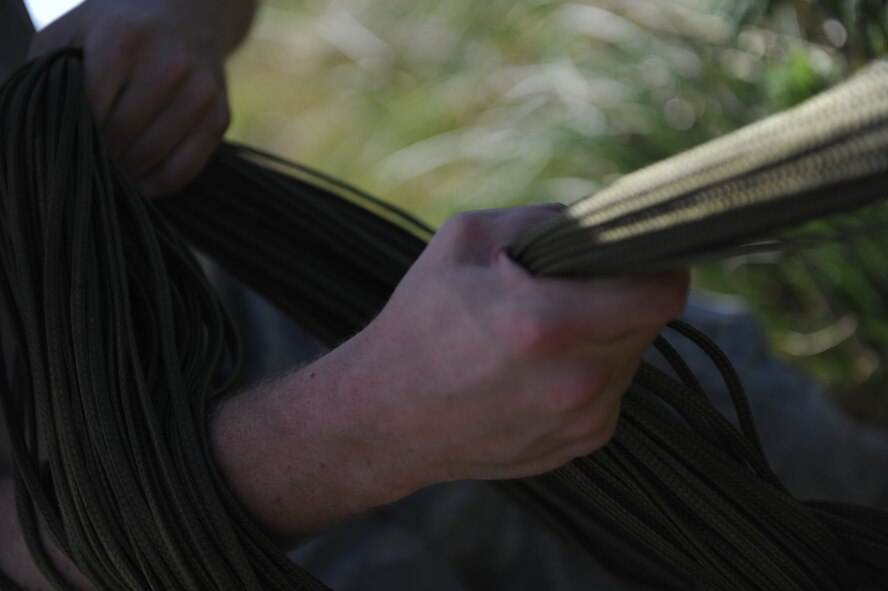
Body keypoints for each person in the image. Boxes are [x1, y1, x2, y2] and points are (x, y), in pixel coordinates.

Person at [0, 0, 690, 588]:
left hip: (317, 300)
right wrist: (371, 421)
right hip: (189, 547)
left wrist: (178, 17)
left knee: (753, 448)